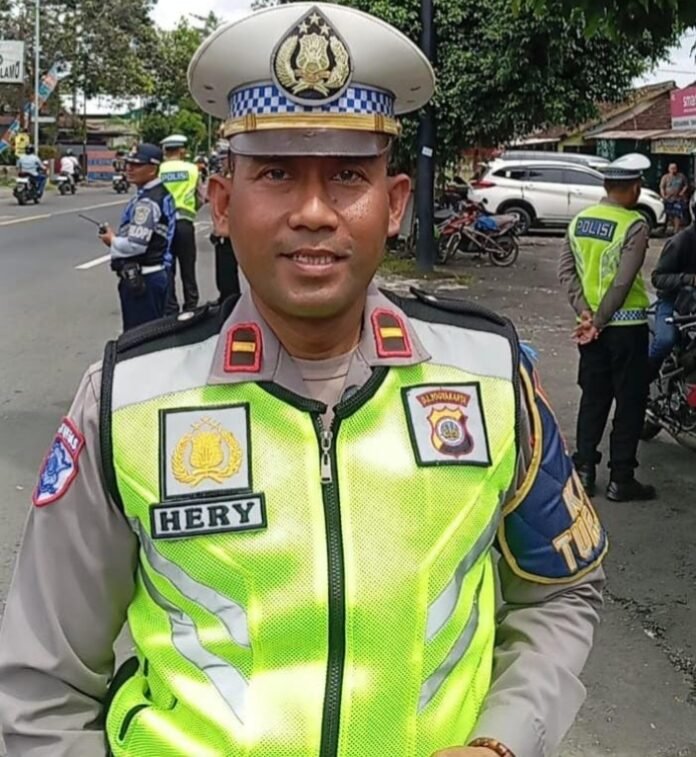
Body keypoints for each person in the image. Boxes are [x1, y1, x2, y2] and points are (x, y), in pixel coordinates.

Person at [0, 6, 606, 757]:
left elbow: (560, 589)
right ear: (224, 205)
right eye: (277, 172)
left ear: (394, 204)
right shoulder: (127, 398)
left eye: (348, 174)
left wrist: (505, 740)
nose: (314, 212)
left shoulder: (489, 375)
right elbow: (42, 693)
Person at [559, 153, 656, 502]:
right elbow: (623, 281)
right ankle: (621, 478)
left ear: (605, 185)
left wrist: (586, 315)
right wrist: (600, 321)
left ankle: (584, 470)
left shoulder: (579, 221)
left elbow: (566, 273)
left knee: (594, 398)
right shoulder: (634, 224)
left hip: (589, 330)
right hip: (626, 329)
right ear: (634, 188)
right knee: (629, 402)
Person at [97, 143, 176, 332]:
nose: (129, 169)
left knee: (140, 337)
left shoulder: (147, 202)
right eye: (128, 164)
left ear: (153, 169)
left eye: (137, 165)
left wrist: (112, 240)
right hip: (154, 273)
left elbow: (136, 245)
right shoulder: (159, 193)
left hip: (144, 278)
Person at [649, 193, 696, 377]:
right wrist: (688, 279)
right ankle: (641, 381)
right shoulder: (681, 241)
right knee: (665, 340)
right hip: (674, 301)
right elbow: (658, 278)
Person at [160, 133, 201, 315]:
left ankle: (170, 307)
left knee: (167, 266)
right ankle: (191, 305)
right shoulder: (192, 169)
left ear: (165, 150)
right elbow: (200, 196)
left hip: (163, 225)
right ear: (181, 150)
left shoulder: (158, 170)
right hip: (185, 222)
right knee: (188, 266)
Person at [208, 142, 242, 302]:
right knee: (223, 270)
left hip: (232, 232)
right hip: (223, 232)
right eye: (220, 159)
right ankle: (226, 297)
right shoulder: (224, 179)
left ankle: (231, 299)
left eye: (224, 159)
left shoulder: (235, 182)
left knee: (228, 270)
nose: (222, 162)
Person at [660, 162, 689, 234]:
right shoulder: (665, 177)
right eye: (672, 168)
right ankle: (664, 229)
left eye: (675, 168)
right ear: (669, 169)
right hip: (668, 198)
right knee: (666, 214)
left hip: (677, 198)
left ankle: (676, 230)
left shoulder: (681, 176)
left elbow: (686, 185)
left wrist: (682, 192)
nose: (673, 170)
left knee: (677, 214)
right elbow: (662, 187)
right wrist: (663, 195)